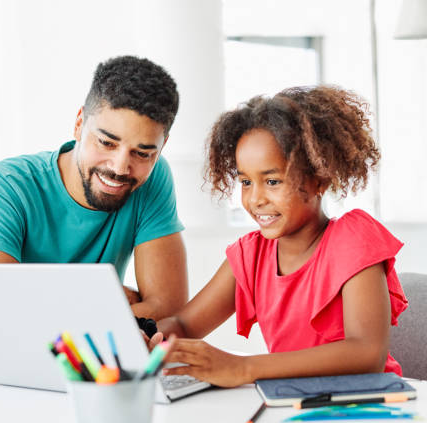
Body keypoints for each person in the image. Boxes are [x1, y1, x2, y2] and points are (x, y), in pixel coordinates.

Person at [0, 56, 188, 370]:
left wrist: (60, 310)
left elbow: (168, 309)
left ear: (162, 146)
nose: (119, 167)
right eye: (106, 142)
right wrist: (106, 305)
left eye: (142, 153)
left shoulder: (153, 179)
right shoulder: (2, 185)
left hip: (87, 372)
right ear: (78, 124)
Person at [156, 85, 408, 387]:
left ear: (320, 180)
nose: (255, 199)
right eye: (246, 182)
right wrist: (146, 334)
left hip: (372, 405)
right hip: (295, 405)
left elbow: (367, 353)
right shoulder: (251, 255)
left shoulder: (352, 241)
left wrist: (243, 367)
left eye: (272, 181)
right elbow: (184, 324)